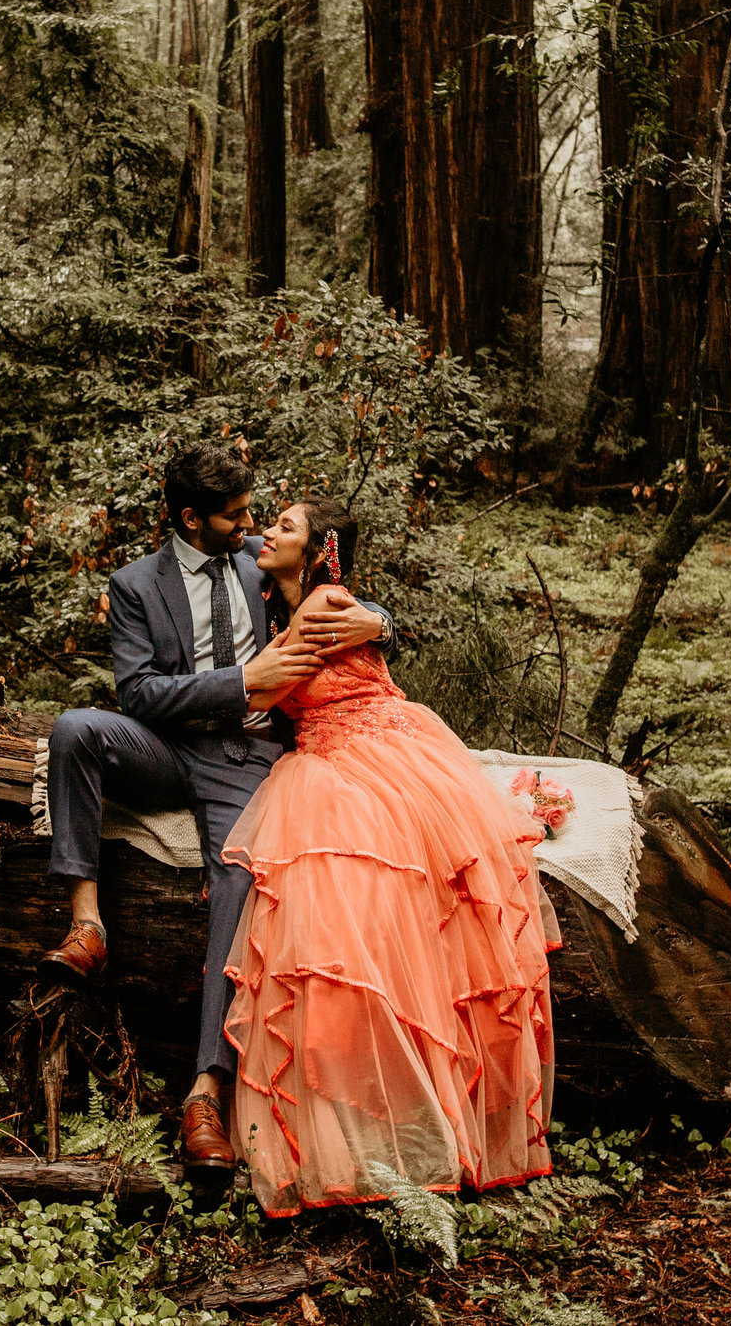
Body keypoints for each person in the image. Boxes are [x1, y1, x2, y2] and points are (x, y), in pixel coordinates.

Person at [40, 444, 395, 1172]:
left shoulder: (256, 560)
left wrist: (377, 622)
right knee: (74, 729)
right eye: (234, 516)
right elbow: (137, 693)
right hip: (169, 749)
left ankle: (207, 1091)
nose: (252, 525)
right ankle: (87, 921)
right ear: (189, 518)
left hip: (250, 759)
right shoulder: (136, 584)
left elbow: (334, 583)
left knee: (238, 878)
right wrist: (243, 679)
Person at [218, 496, 557, 1217]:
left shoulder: (324, 606)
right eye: (267, 521)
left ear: (317, 551)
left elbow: (259, 691)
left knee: (353, 892)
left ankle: (374, 1122)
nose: (265, 533)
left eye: (284, 527)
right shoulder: (284, 592)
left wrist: (366, 623)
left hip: (366, 748)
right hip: (362, 741)